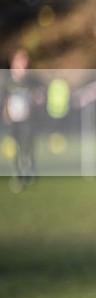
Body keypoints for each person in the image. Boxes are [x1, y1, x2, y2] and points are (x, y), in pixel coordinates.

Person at [1, 48, 44, 191]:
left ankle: (28, 170)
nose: (24, 63)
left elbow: (40, 96)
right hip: (11, 121)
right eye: (21, 60)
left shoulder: (32, 80)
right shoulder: (7, 80)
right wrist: (6, 116)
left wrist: (38, 99)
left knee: (27, 146)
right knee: (13, 148)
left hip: (27, 121)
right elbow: (4, 100)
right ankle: (17, 174)